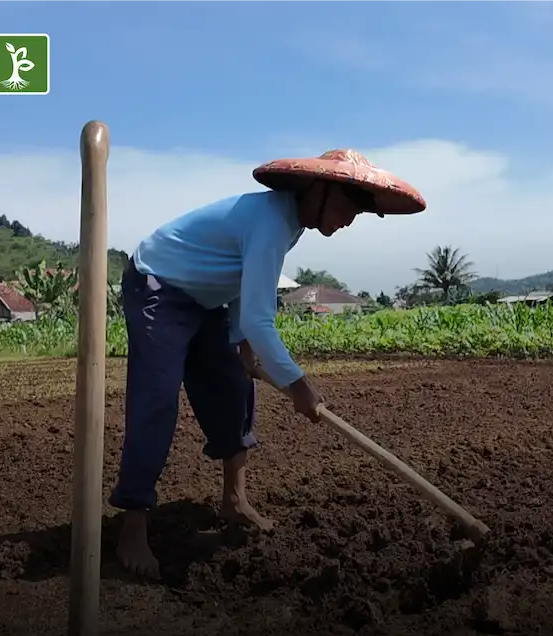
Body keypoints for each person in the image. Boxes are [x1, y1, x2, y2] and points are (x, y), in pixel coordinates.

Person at [109, 149, 426, 578]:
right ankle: (132, 526)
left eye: (360, 212)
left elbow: (240, 275)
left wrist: (240, 341)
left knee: (235, 390)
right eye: (349, 206)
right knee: (158, 399)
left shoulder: (288, 223)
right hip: (159, 284)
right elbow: (262, 318)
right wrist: (299, 386)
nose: (350, 219)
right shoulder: (272, 221)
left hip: (206, 298)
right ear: (318, 190)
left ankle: (235, 500)